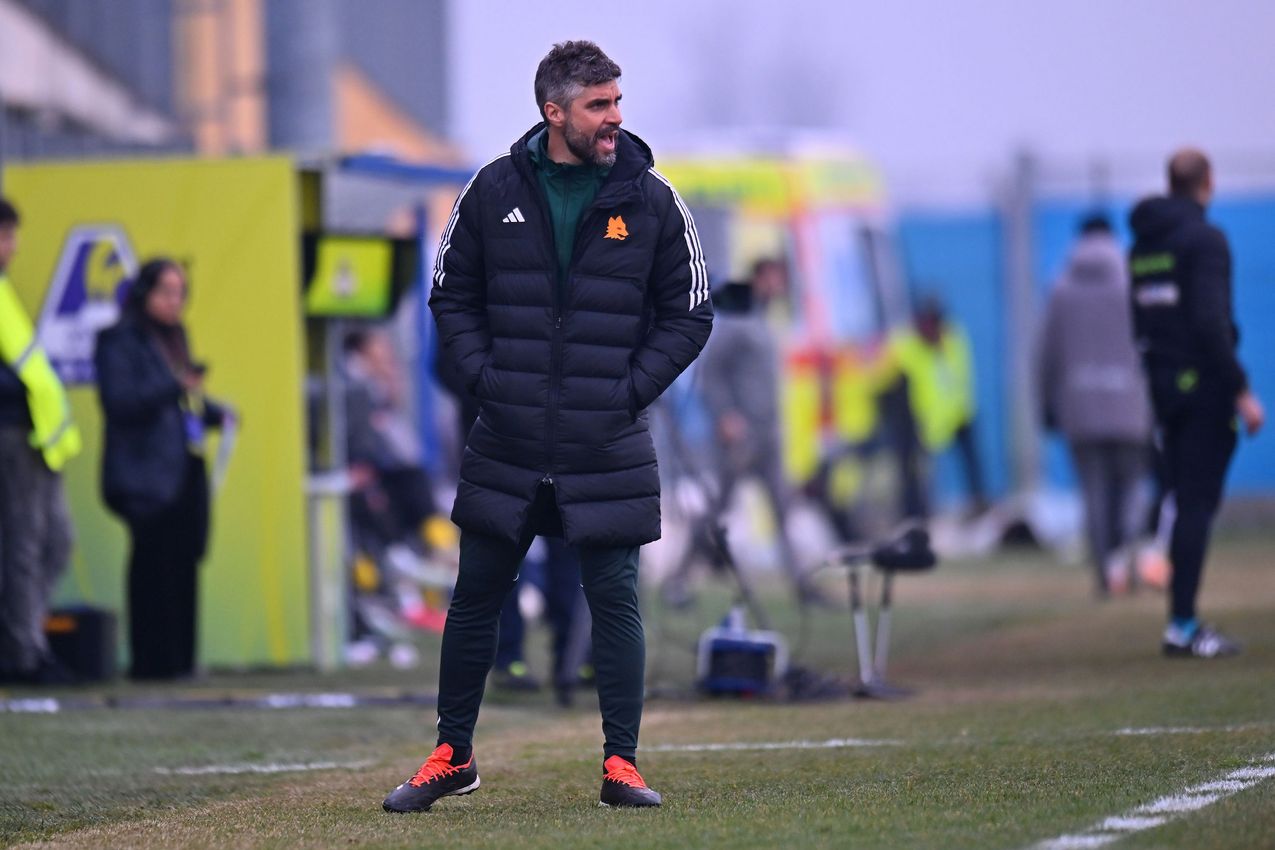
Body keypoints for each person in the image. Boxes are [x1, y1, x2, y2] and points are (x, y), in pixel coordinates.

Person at [382, 40, 712, 813]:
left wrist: (627, 392)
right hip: (508, 436)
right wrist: (488, 382)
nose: (615, 117)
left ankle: (621, 764)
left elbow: (691, 311)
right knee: (475, 596)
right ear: (553, 111)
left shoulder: (652, 198)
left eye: (617, 101)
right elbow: (450, 296)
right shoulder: (491, 189)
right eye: (598, 105)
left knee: (615, 600)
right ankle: (452, 755)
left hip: (605, 437)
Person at [1129, 148, 1264, 657]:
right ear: (1209, 181)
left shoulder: (1143, 245)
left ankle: (1180, 619)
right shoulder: (1205, 240)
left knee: (1182, 499)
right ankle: (1182, 625)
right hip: (1204, 389)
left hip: (1163, 388)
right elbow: (1210, 322)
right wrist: (1241, 389)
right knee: (1195, 506)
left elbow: (1140, 323)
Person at [95, 258, 229, 680]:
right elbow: (121, 402)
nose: (175, 301)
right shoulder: (119, 340)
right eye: (166, 292)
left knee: (184, 562)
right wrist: (176, 386)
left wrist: (213, 412)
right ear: (144, 293)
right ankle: (151, 663)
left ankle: (182, 660)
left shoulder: (176, 336)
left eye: (181, 292)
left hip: (183, 468)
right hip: (145, 476)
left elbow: (182, 404)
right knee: (153, 565)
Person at [663, 263, 822, 607]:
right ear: (758, 279)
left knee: (783, 509)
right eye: (773, 278)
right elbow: (712, 372)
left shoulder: (764, 320)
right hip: (741, 439)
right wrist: (725, 415)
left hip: (768, 436)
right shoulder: (738, 321)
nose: (778, 286)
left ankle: (804, 586)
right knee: (716, 512)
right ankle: (677, 582)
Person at [1039, 215, 1153, 596]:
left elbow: (1047, 355)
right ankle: (1128, 562)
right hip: (1130, 406)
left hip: (1080, 408)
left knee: (1094, 493)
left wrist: (1047, 405)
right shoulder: (1132, 285)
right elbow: (1150, 346)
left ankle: (1105, 572)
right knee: (1132, 487)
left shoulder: (1060, 290)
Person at [0, 197, 80, 685]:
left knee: (54, 543)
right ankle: (23, 652)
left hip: (36, 437)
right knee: (23, 548)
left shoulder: (4, 290)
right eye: (5, 235)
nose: (12, 246)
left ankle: (23, 637)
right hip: (11, 433)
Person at [885, 295, 988, 519]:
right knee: (909, 464)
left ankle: (978, 501)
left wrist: (952, 416)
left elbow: (960, 382)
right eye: (925, 324)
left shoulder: (953, 340)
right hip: (921, 419)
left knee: (971, 454)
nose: (929, 330)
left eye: (933, 324)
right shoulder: (905, 346)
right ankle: (914, 512)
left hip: (954, 415)